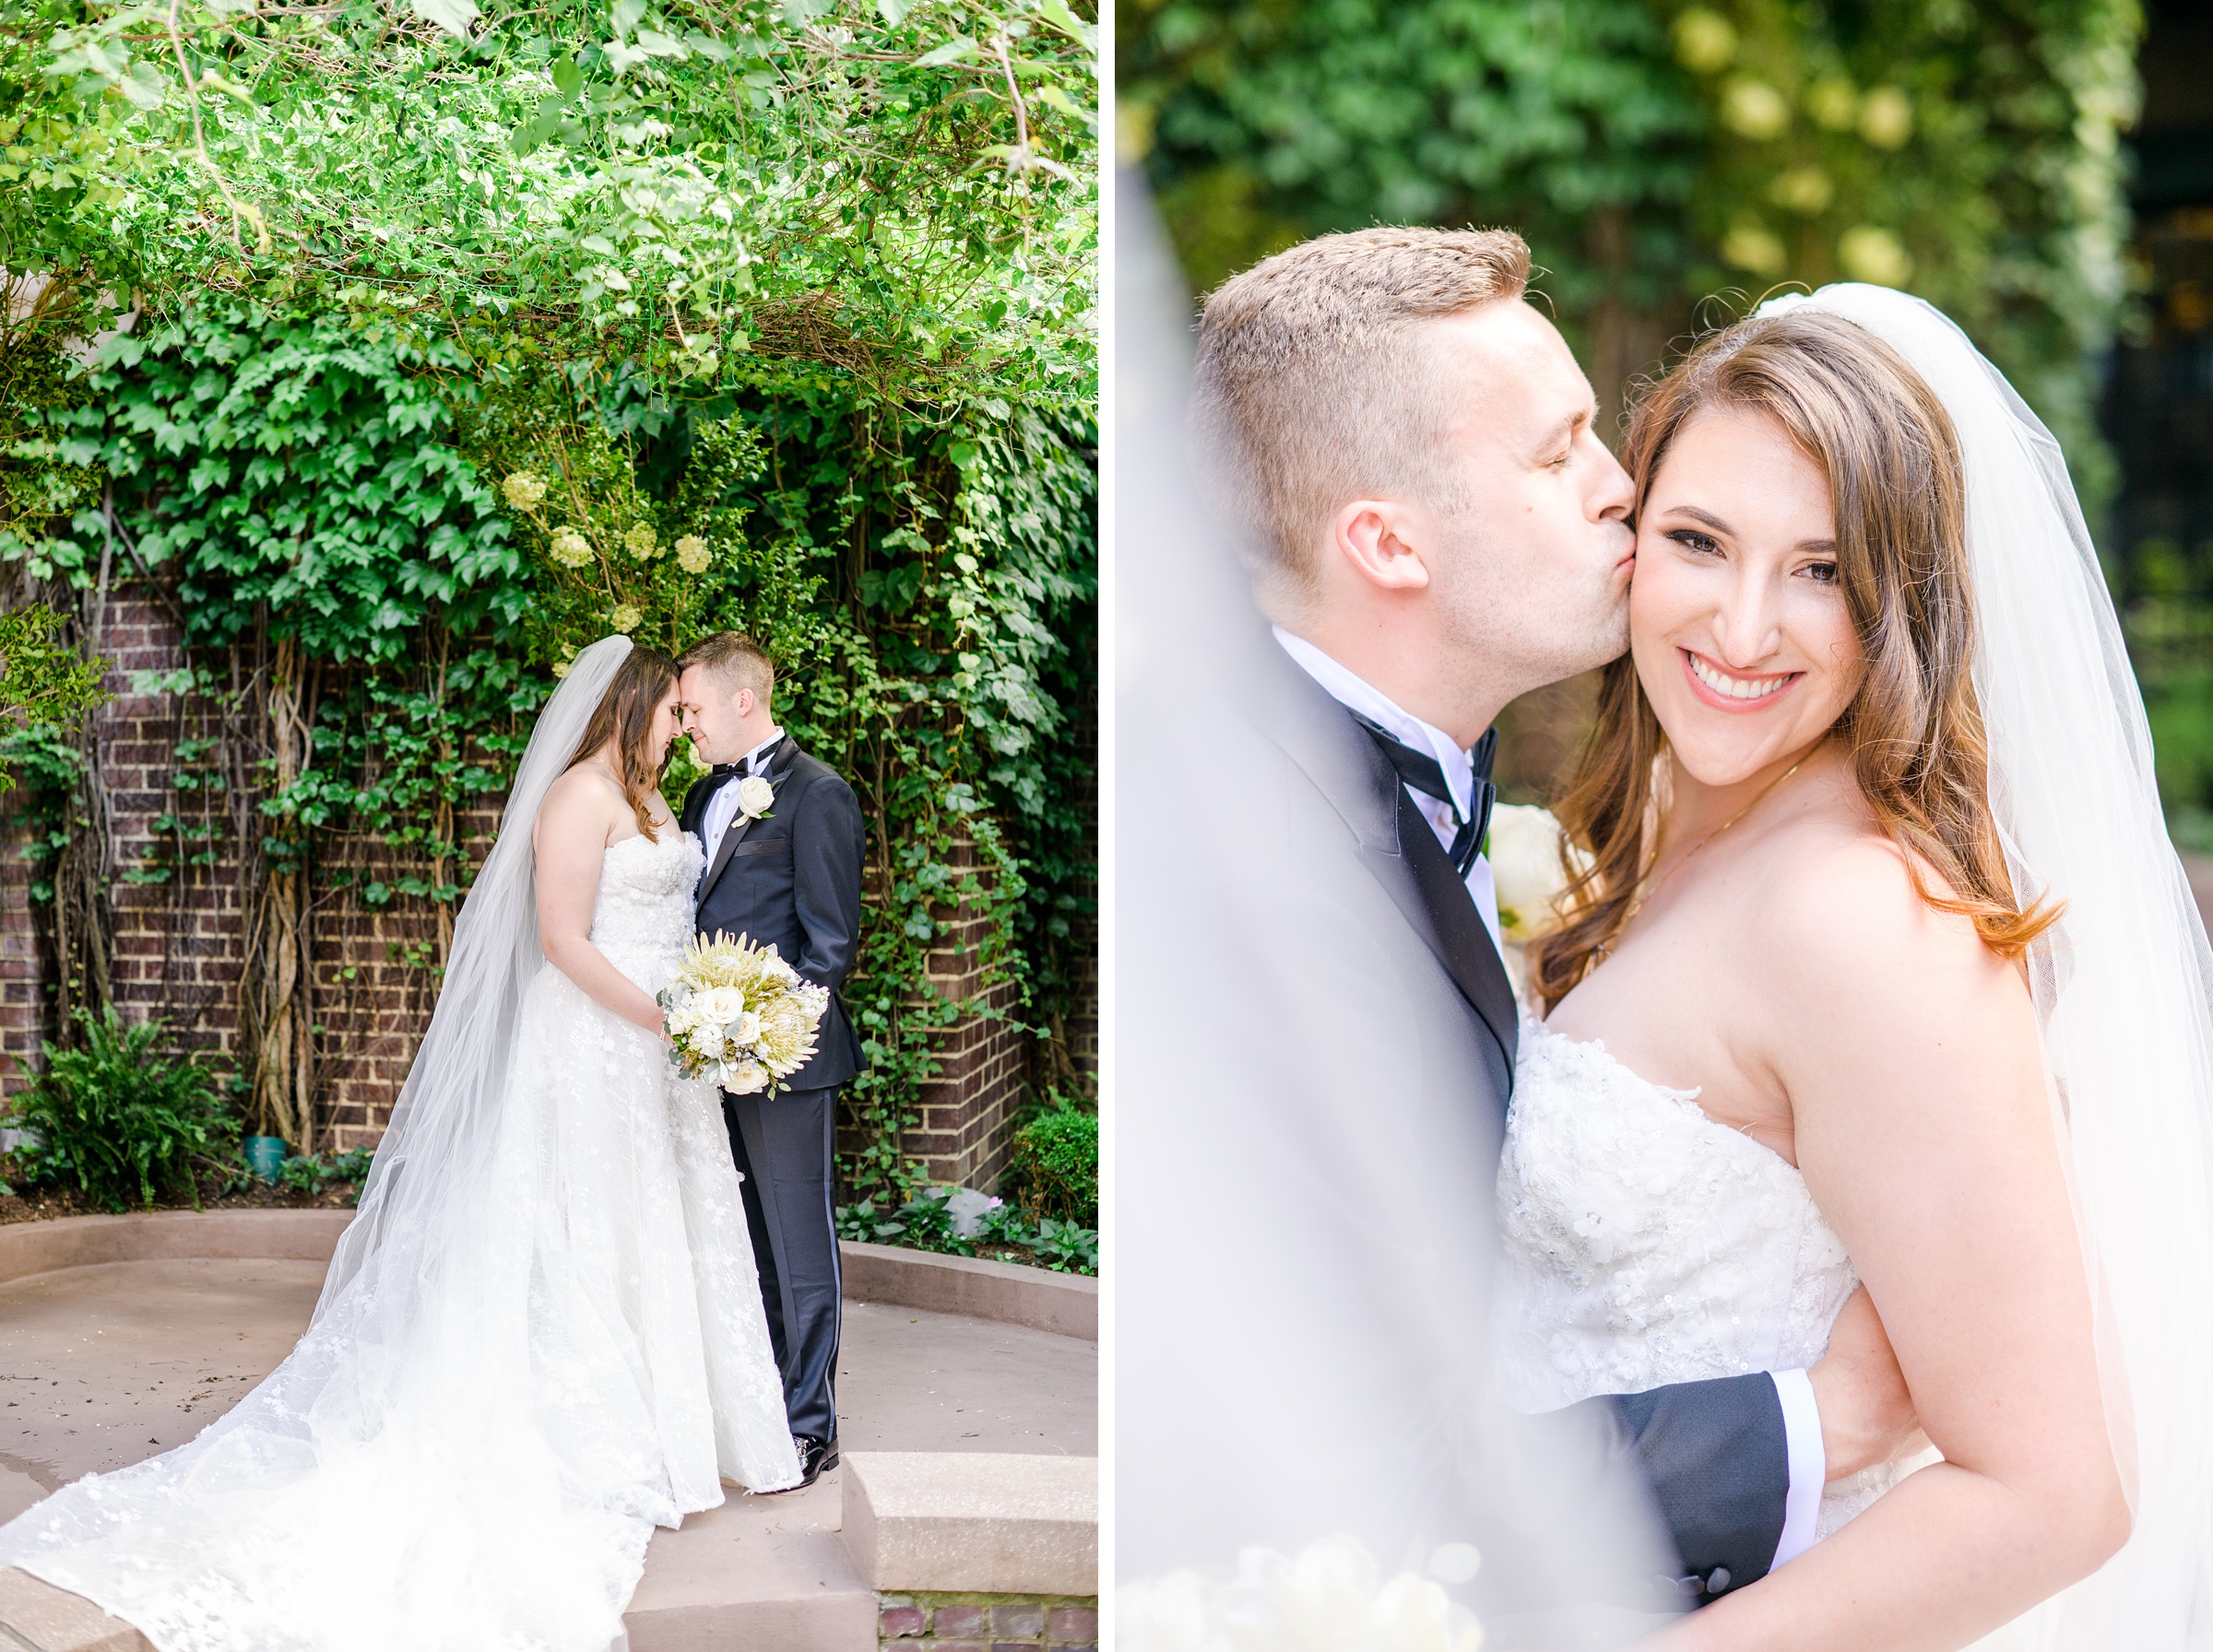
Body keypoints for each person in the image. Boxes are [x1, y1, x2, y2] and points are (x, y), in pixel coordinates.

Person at [1119, 219, 1925, 1630]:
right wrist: (1823, 1423)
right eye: (1558, 454)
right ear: (1387, 542)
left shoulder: (1412, 777)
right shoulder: (1252, 896)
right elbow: (1355, 1476)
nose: (1625, 487)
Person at [1507, 290, 2213, 1647]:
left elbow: (2058, 1496)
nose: (1744, 626)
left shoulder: (1860, 918)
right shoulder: (1677, 837)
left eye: (1823, 572)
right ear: (1631, 536)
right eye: (1701, 541)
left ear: (1900, 606)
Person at [0, 636, 800, 1651]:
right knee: (581, 1228)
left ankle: (672, 1430)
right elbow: (563, 940)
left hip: (656, 1055)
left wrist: (704, 1012)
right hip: (596, 1045)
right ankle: (585, 1434)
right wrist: (664, 1020)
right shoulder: (577, 799)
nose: (682, 728)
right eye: (670, 712)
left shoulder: (654, 805)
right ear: (630, 704)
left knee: (656, 1227)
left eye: (690, 716)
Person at [676, 631, 866, 1491]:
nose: (686, 726)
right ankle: (758, 1405)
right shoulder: (699, 794)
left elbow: (829, 947)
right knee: (742, 1241)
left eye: (693, 709)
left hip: (784, 1061)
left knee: (797, 1244)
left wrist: (765, 1037)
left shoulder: (818, 794)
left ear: (741, 700)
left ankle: (809, 1426)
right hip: (707, 1055)